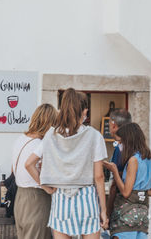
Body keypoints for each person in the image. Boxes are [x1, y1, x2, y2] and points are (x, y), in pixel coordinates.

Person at [26, 88, 109, 239]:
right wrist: (103, 210)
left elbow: (29, 164)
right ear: (84, 112)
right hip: (87, 199)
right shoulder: (95, 136)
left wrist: (46, 187)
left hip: (61, 199)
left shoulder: (51, 135)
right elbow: (99, 176)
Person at [103, 123, 151, 239]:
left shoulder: (133, 160)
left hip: (126, 216)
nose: (119, 146)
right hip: (142, 216)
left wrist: (115, 171)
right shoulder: (149, 160)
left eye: (121, 142)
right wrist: (139, 193)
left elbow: (126, 192)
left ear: (128, 141)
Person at [12, 103, 58, 239]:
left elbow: (14, 168)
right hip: (36, 198)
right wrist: (46, 187)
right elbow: (28, 165)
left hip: (20, 196)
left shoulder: (20, 140)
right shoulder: (39, 145)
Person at [106, 109, 132, 217]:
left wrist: (108, 212)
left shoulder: (120, 149)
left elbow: (115, 184)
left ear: (113, 125)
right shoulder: (135, 146)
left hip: (120, 203)